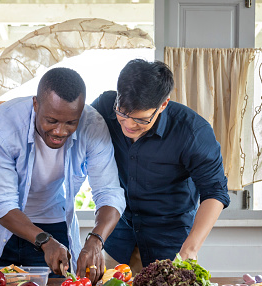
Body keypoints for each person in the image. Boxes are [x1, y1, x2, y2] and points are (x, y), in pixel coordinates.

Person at [0, 67, 125, 285]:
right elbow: (3, 204)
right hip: (2, 226)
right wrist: (44, 241)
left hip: (53, 222)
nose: (60, 131)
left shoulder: (93, 125)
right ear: (35, 104)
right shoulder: (2, 124)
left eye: (70, 123)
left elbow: (109, 193)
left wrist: (96, 240)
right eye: (51, 120)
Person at [91, 59, 230, 273]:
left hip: (170, 245)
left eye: (141, 120)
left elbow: (215, 192)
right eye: (122, 113)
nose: (128, 125)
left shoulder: (192, 132)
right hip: (118, 240)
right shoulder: (103, 108)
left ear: (163, 105)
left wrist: (189, 250)